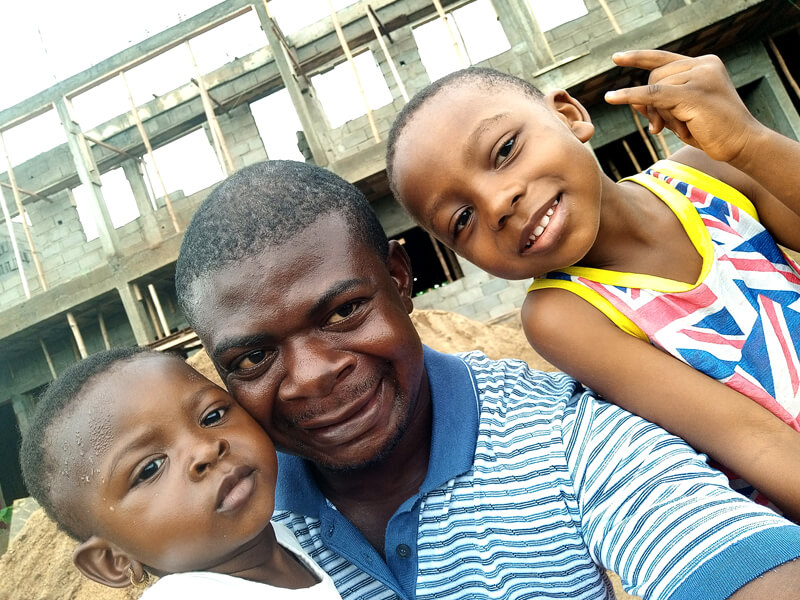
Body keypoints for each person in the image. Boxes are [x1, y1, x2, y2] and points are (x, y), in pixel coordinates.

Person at [173, 159, 800, 600]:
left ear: (399, 278)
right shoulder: (224, 522)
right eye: (254, 358)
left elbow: (732, 559)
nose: (310, 379)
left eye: (343, 313)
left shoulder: (564, 438)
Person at [384, 49, 800, 516]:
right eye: (462, 219)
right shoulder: (563, 313)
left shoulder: (708, 174)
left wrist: (749, 141)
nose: (498, 203)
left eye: (504, 151)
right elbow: (753, 440)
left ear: (568, 116)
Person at [19, 347, 342, 600]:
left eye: (212, 416)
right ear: (113, 559)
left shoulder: (280, 538)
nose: (206, 450)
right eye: (150, 468)